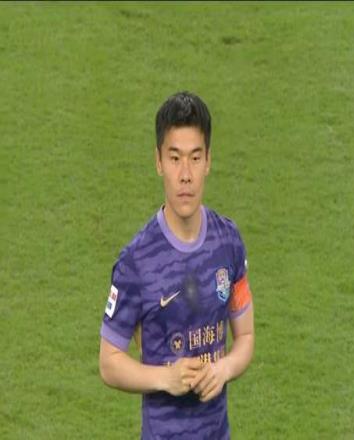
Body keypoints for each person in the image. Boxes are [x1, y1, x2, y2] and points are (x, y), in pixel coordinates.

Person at [99, 91, 254, 439]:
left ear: (208, 161)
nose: (185, 174)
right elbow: (109, 362)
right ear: (158, 162)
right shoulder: (136, 262)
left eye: (195, 158)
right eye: (175, 158)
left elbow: (245, 336)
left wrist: (225, 368)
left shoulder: (228, 242)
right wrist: (165, 378)